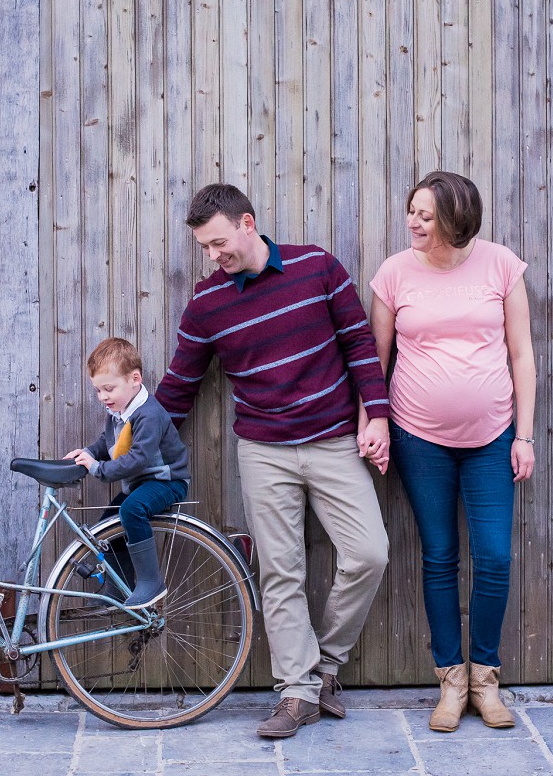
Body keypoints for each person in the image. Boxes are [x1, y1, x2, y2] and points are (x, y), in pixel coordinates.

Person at [155, 183, 391, 739]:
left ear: (247, 223)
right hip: (264, 452)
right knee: (281, 573)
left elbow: (360, 344)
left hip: (335, 441)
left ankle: (325, 667)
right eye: (205, 248)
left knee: (369, 554)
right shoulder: (207, 305)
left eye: (218, 243)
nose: (214, 256)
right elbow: (178, 389)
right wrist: (113, 445)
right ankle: (298, 692)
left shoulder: (317, 268)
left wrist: (376, 415)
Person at [367, 171, 536, 732]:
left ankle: (484, 677)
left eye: (425, 214)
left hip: (492, 438)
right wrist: (377, 425)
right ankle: (450, 681)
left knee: (494, 557)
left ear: (455, 219)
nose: (412, 222)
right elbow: (376, 364)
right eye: (411, 210)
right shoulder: (394, 274)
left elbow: (521, 355)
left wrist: (525, 434)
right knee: (439, 557)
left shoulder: (500, 265)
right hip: (419, 439)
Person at [65, 337, 191, 609]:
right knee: (108, 525)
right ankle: (119, 587)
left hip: (167, 481)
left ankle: (151, 582)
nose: (103, 398)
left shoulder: (148, 414)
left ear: (135, 379)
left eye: (108, 389)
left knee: (132, 510)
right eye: (98, 391)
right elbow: (106, 443)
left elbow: (137, 459)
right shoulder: (118, 412)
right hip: (141, 485)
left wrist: (98, 469)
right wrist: (85, 452)